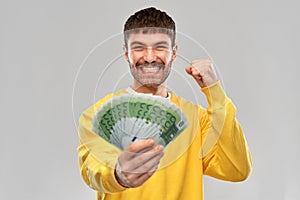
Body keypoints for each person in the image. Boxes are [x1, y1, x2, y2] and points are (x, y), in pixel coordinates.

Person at [77, 7, 252, 200]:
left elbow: (237, 169)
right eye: (138, 47)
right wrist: (118, 174)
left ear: (174, 53)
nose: (150, 57)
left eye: (160, 47)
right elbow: (91, 171)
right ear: (126, 53)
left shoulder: (196, 119)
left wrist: (215, 92)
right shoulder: (96, 116)